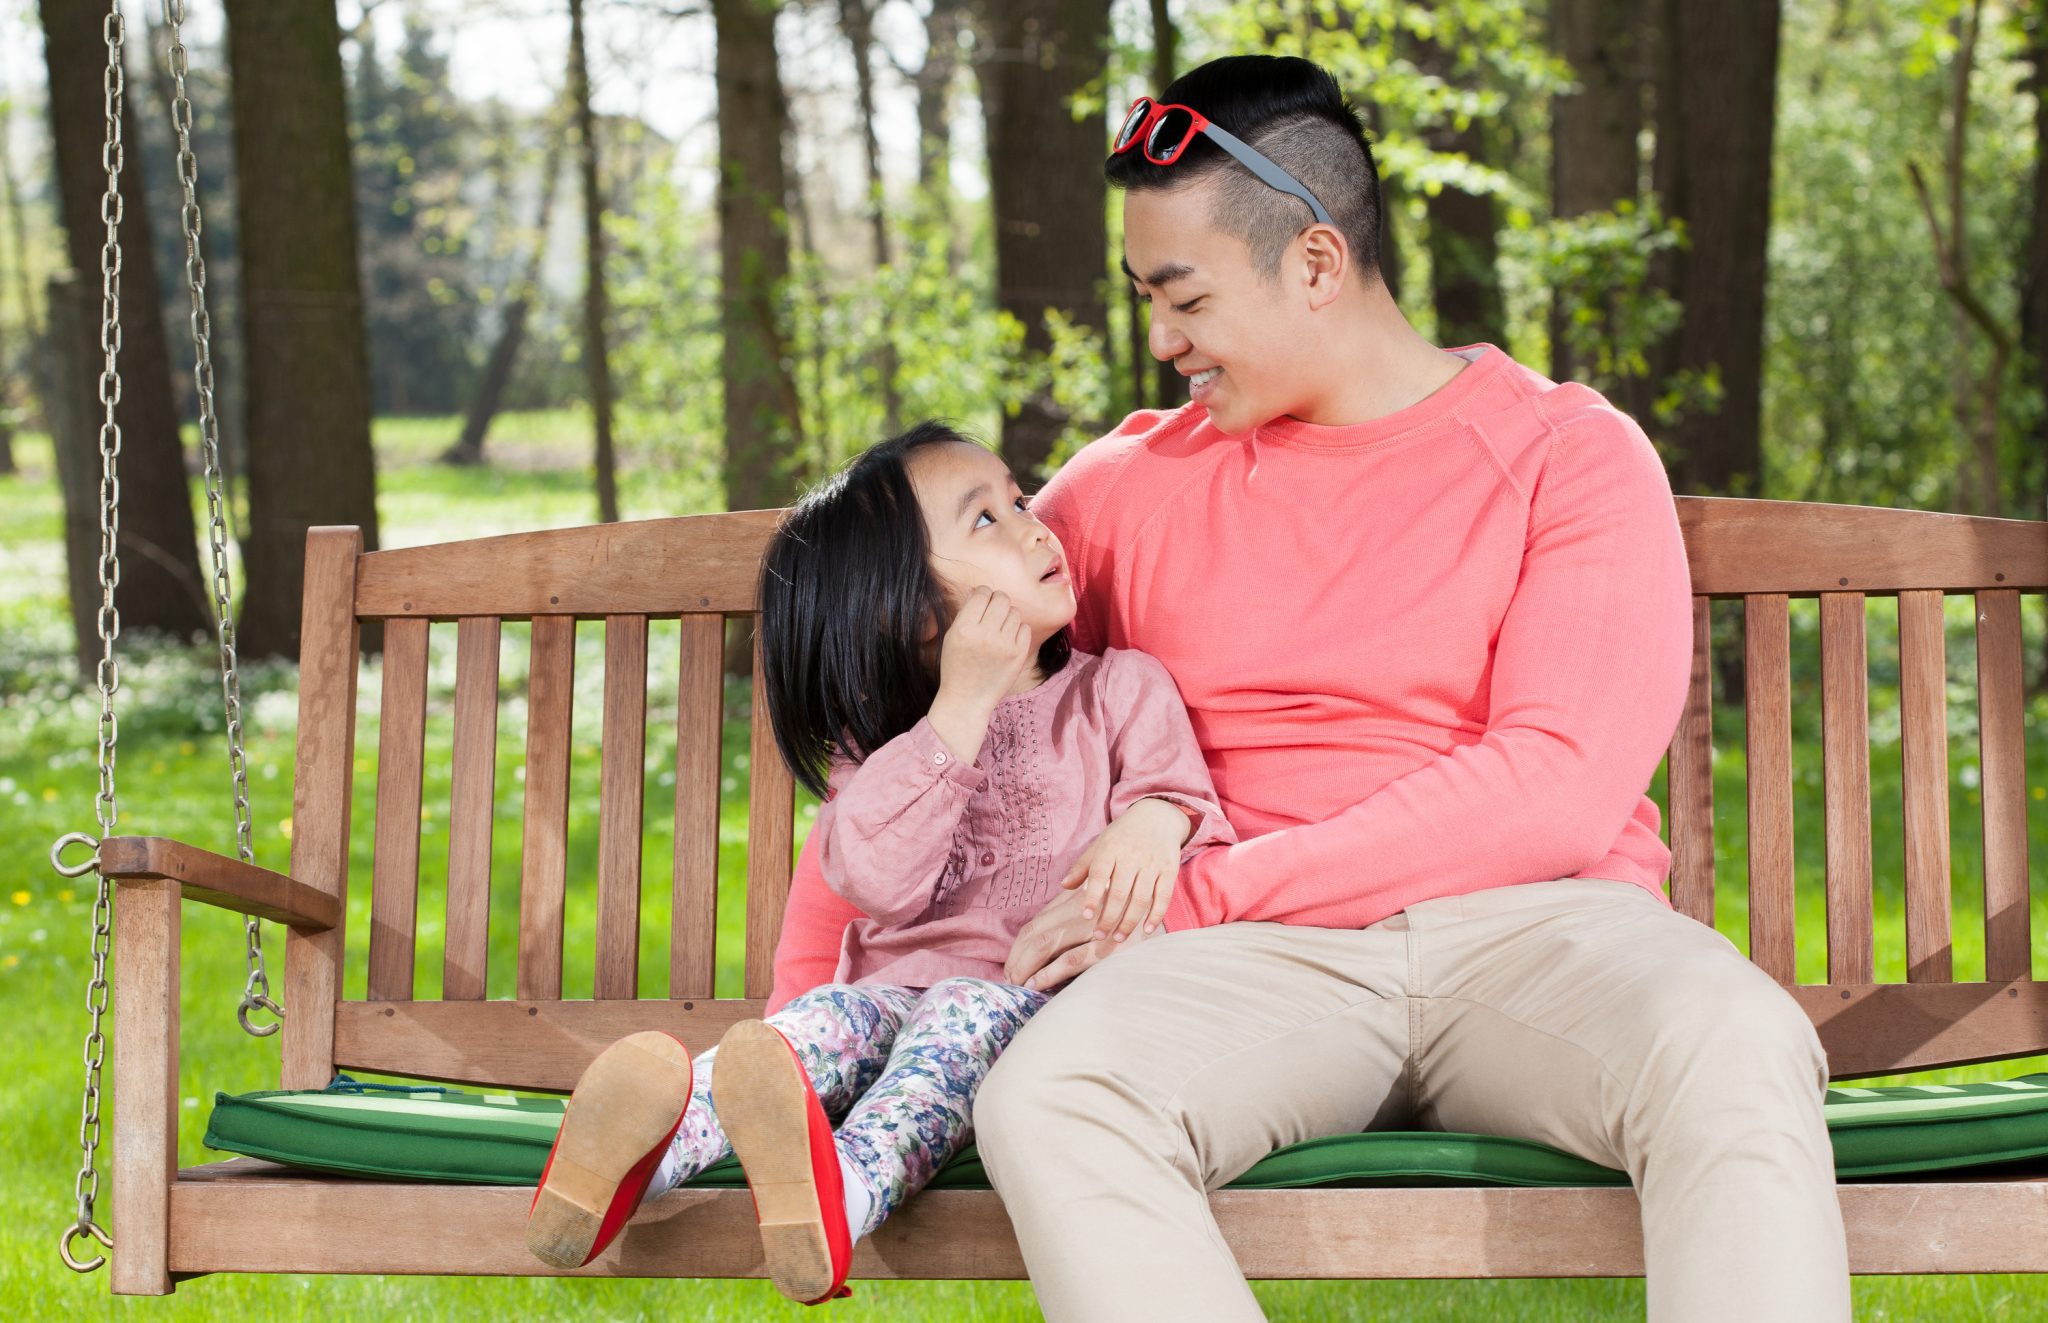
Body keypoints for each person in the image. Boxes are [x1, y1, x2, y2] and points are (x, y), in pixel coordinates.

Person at [769, 55, 1853, 1322]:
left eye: (1183, 298)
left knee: (1731, 1039)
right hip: (1241, 972)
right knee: (1055, 1092)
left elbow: (1551, 787)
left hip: (1536, 936)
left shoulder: (1568, 454)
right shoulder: (1117, 492)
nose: (1160, 340)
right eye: (1145, 300)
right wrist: (804, 1028)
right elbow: (907, 720)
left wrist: (1196, 889)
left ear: (1316, 264)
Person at [523, 421, 1233, 1304]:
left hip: (1029, 1007)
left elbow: (1189, 808)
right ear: (912, 613)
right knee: (801, 1037)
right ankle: (635, 1155)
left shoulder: (1118, 689)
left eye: (1017, 499)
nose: (1034, 524)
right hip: (887, 996)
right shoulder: (889, 744)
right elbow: (870, 876)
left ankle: (842, 1192)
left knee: (957, 1027)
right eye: (986, 522)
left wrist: (1155, 823)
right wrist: (961, 706)